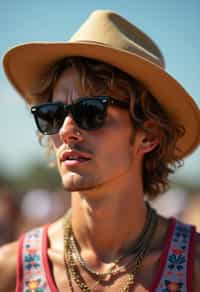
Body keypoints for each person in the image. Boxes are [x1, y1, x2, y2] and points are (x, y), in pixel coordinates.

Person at [1, 10, 200, 292]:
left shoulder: (193, 268)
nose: (66, 130)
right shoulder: (11, 271)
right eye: (53, 114)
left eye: (90, 111)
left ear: (149, 136)